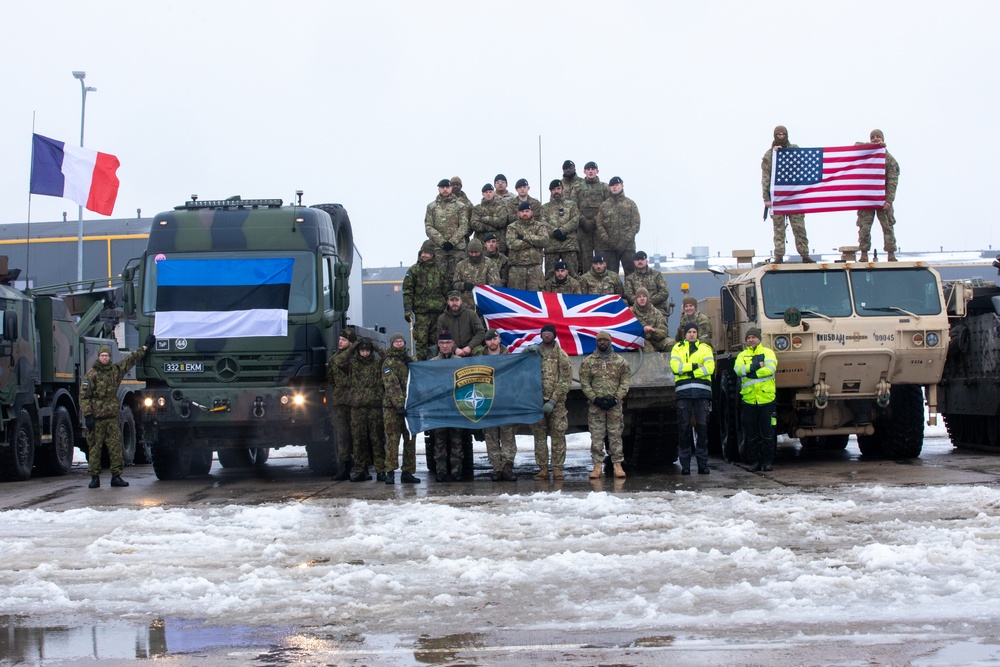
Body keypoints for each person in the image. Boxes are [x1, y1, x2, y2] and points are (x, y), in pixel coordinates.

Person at [81, 336, 153, 488]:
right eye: (102, 356)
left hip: (112, 418)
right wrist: (88, 415)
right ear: (99, 357)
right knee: (95, 449)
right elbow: (84, 397)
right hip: (97, 419)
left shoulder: (115, 371)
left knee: (115, 448)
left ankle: (116, 476)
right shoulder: (91, 375)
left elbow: (130, 360)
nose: (105, 358)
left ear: (109, 357)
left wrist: (145, 348)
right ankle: (94, 477)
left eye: (107, 356)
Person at [579, 331, 631, 479]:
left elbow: (625, 382)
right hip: (596, 406)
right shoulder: (588, 362)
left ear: (610, 342)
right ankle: (597, 466)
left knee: (615, 436)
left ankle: (617, 465)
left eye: (605, 340)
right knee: (596, 436)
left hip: (614, 405)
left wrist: (616, 398)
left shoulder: (620, 362)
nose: (602, 343)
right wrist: (594, 398)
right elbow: (584, 382)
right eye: (600, 340)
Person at [338, 337, 387, 482]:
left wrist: (376, 346)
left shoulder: (378, 363)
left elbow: (389, 357)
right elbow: (339, 361)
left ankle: (381, 470)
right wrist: (353, 348)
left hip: (374, 407)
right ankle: (360, 470)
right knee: (358, 440)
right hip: (357, 408)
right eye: (362, 350)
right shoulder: (353, 364)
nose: (364, 353)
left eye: (367, 350)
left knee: (377, 440)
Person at [762, 125, 813, 263]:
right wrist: (766, 198)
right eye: (778, 134)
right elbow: (765, 177)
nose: (781, 137)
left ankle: (805, 254)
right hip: (777, 197)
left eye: (783, 134)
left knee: (799, 227)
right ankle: (778, 256)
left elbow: (802, 162)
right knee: (778, 229)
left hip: (793, 196)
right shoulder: (769, 155)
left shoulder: (794, 149)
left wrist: (785, 152)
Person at [670, 323, 716, 475]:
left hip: (702, 394)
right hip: (684, 394)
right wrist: (696, 366)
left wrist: (688, 370)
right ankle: (686, 465)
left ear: (697, 334)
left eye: (694, 331)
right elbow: (676, 368)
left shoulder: (705, 348)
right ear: (684, 334)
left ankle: (703, 465)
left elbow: (710, 368)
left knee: (702, 429)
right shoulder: (677, 348)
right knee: (684, 429)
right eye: (689, 332)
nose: (691, 334)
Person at [473, 329, 517, 481]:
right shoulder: (479, 358)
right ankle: (497, 469)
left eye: (495, 339)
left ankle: (507, 467)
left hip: (505, 403)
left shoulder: (509, 358)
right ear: (485, 342)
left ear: (499, 340)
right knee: (491, 437)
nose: (492, 342)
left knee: (507, 436)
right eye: (489, 339)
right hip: (487, 403)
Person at [529, 324, 572, 480]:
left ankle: (558, 468)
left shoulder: (561, 355)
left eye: (549, 333)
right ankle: (542, 469)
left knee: (558, 436)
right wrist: (526, 351)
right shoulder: (535, 354)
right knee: (539, 437)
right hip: (537, 403)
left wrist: (553, 400)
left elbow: (565, 381)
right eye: (544, 333)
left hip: (556, 404)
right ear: (541, 336)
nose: (547, 335)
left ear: (554, 335)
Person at [735, 327, 777, 472]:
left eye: (753, 337)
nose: (751, 339)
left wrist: (750, 372)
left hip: (767, 399)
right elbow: (738, 370)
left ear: (759, 338)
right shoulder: (742, 355)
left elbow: (770, 369)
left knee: (768, 434)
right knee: (750, 434)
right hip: (749, 400)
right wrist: (757, 366)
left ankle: (767, 462)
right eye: (748, 337)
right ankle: (754, 462)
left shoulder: (768, 353)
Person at [856, 129, 900, 263]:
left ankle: (891, 254)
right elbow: (856, 145)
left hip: (883, 199)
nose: (875, 139)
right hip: (867, 199)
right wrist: (873, 146)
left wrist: (889, 200)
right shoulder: (867, 154)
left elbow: (893, 182)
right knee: (864, 227)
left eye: (878, 137)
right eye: (873, 137)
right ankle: (864, 253)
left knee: (887, 227)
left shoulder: (890, 160)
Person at [382, 332, 420, 484]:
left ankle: (408, 471)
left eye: (401, 341)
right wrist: (399, 404)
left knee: (410, 440)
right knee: (392, 441)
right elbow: (391, 385)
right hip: (393, 409)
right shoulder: (387, 363)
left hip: (410, 407)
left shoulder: (411, 360)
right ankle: (390, 472)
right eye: (396, 341)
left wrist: (413, 365)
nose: (399, 343)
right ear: (391, 343)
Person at [403, 239, 449, 361]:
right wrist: (407, 309)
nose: (424, 255)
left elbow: (446, 291)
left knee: (436, 342)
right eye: (422, 252)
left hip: (438, 313)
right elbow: (407, 291)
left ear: (433, 254)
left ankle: (434, 365)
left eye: (427, 253)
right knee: (421, 342)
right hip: (421, 313)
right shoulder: (414, 271)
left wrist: (448, 309)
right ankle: (422, 366)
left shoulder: (439, 271)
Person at [431, 330, 464, 481]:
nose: (445, 346)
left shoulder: (460, 362)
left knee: (457, 439)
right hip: (440, 408)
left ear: (453, 344)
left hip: (456, 407)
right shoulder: (432, 364)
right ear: (438, 344)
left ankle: (457, 469)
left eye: (447, 343)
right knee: (439, 440)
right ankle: (441, 469)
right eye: (442, 343)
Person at [424, 178, 472, 282]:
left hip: (457, 249)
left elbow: (464, 226)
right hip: (439, 249)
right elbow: (428, 227)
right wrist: (442, 242)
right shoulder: (431, 207)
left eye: (447, 187)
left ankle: (456, 299)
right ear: (438, 189)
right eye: (442, 187)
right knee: (440, 279)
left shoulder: (461, 206)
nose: (445, 189)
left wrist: (452, 242)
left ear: (451, 188)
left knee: (457, 278)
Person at [595, 176, 641, 276]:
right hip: (609, 248)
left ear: (622, 186)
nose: (614, 187)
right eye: (612, 186)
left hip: (627, 247)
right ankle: (614, 293)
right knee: (610, 276)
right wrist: (608, 241)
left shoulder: (630, 204)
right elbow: (599, 225)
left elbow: (636, 225)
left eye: (617, 185)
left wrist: (625, 242)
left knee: (631, 275)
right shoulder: (604, 205)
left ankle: (630, 292)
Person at [327, 327, 357, 480]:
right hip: (340, 402)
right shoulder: (333, 359)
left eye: (343, 340)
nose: (340, 342)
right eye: (339, 339)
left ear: (351, 343)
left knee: (357, 435)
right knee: (342, 435)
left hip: (355, 402)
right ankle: (344, 465)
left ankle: (360, 466)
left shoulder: (356, 358)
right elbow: (331, 380)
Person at [538, 179, 581, 277]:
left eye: (558, 188)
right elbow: (543, 222)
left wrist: (562, 230)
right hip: (552, 247)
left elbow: (575, 220)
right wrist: (554, 231)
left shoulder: (571, 205)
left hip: (569, 245)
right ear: (550, 191)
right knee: (550, 276)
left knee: (573, 275)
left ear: (562, 189)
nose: (556, 191)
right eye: (553, 189)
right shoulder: (545, 208)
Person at [505, 201, 548, 291]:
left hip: (535, 268)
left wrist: (524, 237)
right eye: (522, 211)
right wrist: (533, 242)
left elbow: (544, 240)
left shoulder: (539, 226)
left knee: (535, 297)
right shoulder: (512, 227)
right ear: (518, 213)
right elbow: (511, 244)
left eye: (527, 211)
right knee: (516, 297)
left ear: (531, 212)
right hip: (517, 268)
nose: (525, 213)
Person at [576, 161, 610, 273]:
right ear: (584, 171)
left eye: (593, 169)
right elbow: (572, 207)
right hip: (583, 228)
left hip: (599, 229)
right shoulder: (578, 188)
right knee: (585, 259)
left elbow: (607, 206)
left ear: (597, 171)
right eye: (588, 169)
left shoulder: (604, 187)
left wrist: (595, 220)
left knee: (601, 257)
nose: (590, 171)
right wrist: (583, 221)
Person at [453, 239, 500, 312]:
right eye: (471, 252)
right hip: (465, 306)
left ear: (481, 251)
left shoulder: (490, 264)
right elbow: (455, 283)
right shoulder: (461, 265)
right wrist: (464, 285)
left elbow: (495, 286)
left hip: (483, 304)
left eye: (476, 252)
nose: (474, 255)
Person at [436, 290, 485, 357]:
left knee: (480, 353)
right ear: (448, 302)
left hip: (471, 347)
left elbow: (480, 332)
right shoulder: (442, 318)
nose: (454, 303)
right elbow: (440, 337)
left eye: (457, 300)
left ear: (461, 301)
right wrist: (455, 348)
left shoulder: (471, 314)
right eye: (452, 300)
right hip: (451, 348)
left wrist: (470, 346)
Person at [623, 251, 669, 317]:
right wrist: (640, 302)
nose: (640, 261)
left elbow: (664, 292)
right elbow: (629, 295)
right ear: (634, 262)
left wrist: (648, 301)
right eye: (637, 260)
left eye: (642, 259)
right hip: (637, 310)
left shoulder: (657, 275)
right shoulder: (629, 279)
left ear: (646, 261)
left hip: (656, 308)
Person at [470, 183, 512, 255]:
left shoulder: (501, 207)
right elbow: (474, 224)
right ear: (483, 194)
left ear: (493, 193)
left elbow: (502, 222)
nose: (488, 194)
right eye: (486, 192)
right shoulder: (477, 208)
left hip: (499, 245)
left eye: (490, 192)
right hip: (481, 245)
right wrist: (492, 227)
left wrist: (484, 219)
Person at [630, 287, 672, 352]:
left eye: (644, 296)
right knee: (648, 349)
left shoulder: (655, 312)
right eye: (639, 297)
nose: (642, 299)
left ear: (648, 298)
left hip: (655, 340)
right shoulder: (630, 313)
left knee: (671, 344)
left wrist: (654, 330)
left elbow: (664, 331)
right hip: (638, 341)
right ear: (636, 299)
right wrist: (641, 331)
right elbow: (625, 330)